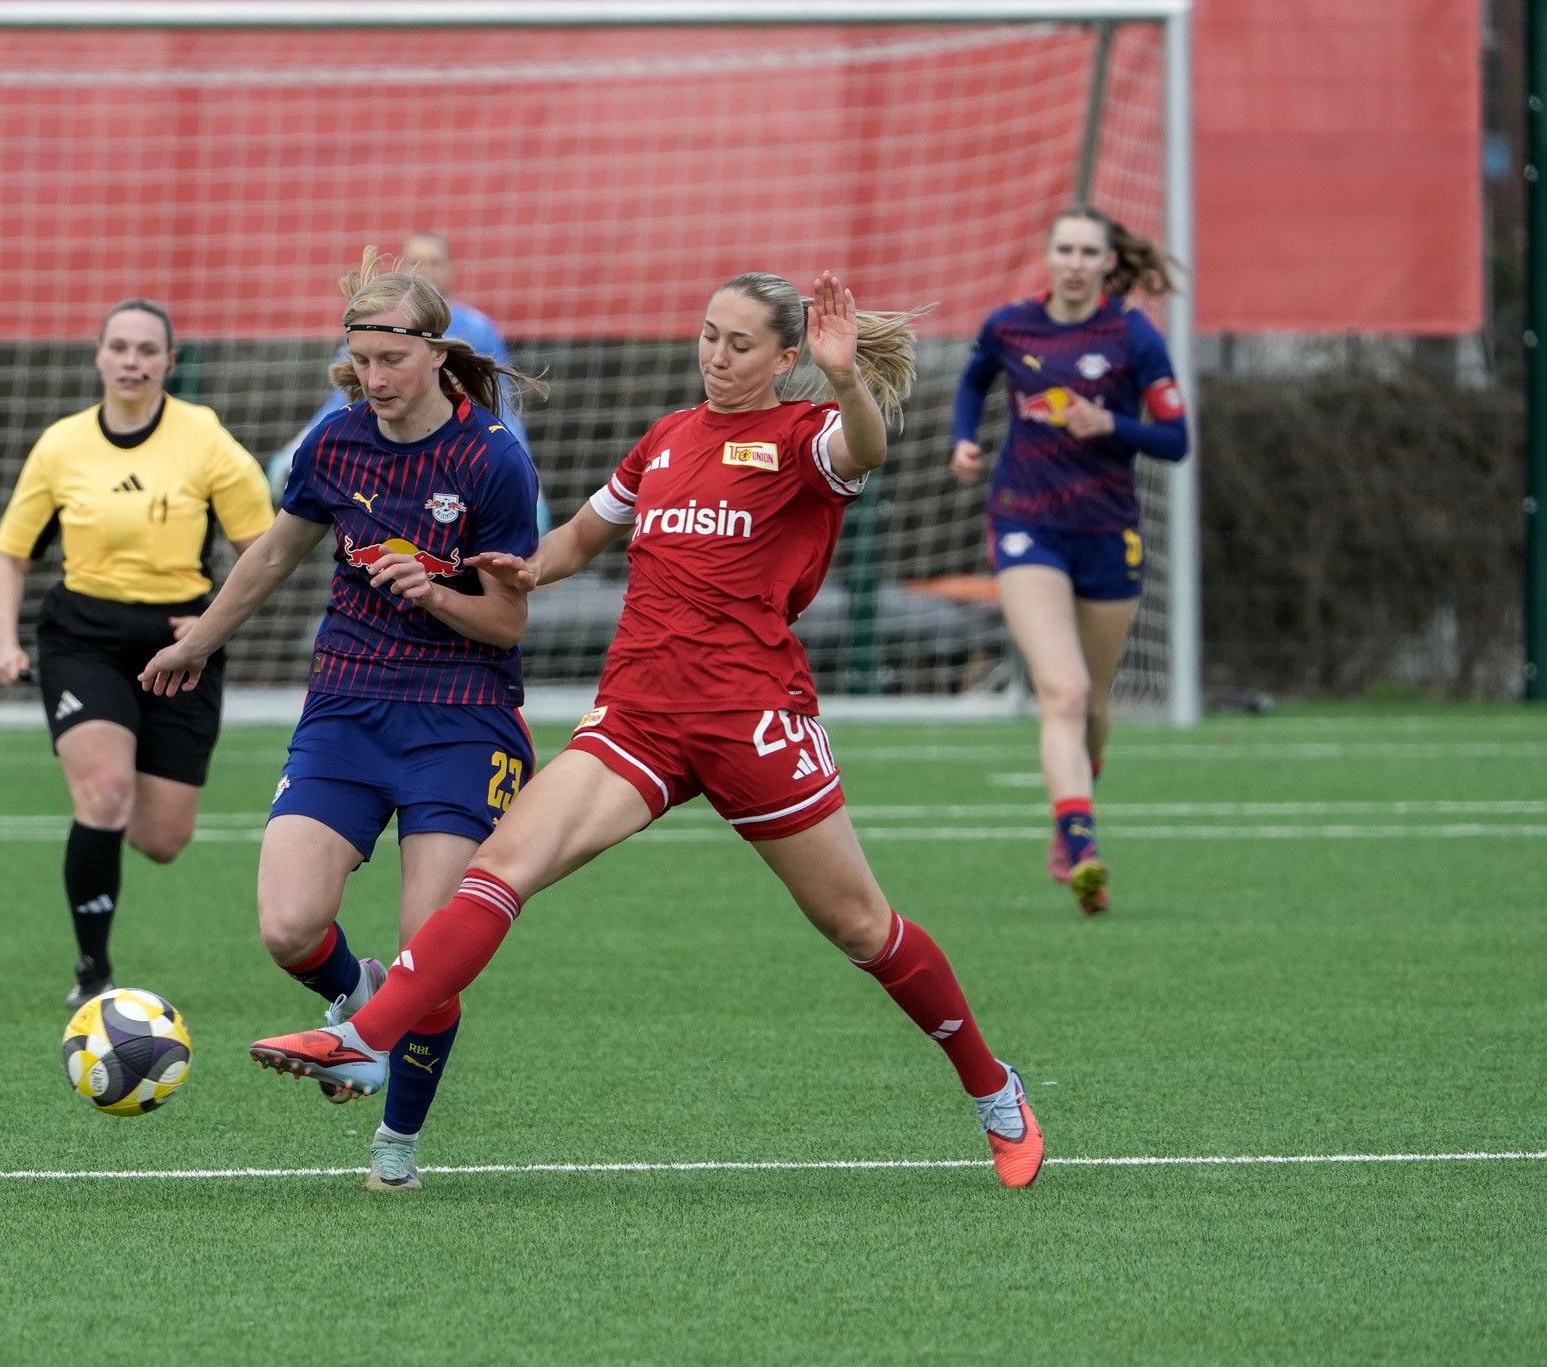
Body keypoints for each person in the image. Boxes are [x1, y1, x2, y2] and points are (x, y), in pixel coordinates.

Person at [207, 270, 1046, 1190]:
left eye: (739, 344)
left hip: (750, 718)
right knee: (500, 867)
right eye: (709, 334)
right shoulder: (667, 440)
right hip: (638, 714)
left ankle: (992, 1087)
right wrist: (505, 569)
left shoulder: (805, 437)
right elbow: (572, 541)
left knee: (858, 925)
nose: (715, 355)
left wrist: (845, 378)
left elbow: (867, 448)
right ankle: (366, 1038)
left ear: (784, 358)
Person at [138, 247, 544, 1192]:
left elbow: (507, 621)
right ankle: (362, 1009)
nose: (374, 379)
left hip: (461, 717)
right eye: (360, 361)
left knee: (430, 954)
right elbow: (274, 556)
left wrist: (433, 589)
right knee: (289, 923)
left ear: (437, 352)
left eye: (391, 360)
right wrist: (200, 640)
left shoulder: (494, 460)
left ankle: (395, 1144)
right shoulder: (336, 442)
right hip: (348, 705)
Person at [0, 298, 275, 1007]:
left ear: (169, 363)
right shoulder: (61, 445)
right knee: (105, 791)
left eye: (147, 350)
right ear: (99, 356)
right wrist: (4, 642)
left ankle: (120, 832)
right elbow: (10, 553)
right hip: (82, 638)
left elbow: (266, 551)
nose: (131, 361)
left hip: (181, 646)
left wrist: (211, 624)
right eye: (119, 347)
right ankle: (93, 972)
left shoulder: (204, 437)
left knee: (162, 838)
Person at [947, 205, 1190, 915]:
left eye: (1089, 252)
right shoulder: (1009, 325)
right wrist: (965, 439)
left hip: (1107, 531)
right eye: (1066, 249)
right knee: (1065, 691)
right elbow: (973, 383)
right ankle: (1081, 847)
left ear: (1108, 263)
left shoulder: (1133, 335)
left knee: (1097, 701)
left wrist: (1109, 422)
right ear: (1049, 256)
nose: (1076, 263)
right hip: (1025, 524)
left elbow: (1176, 440)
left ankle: (1077, 801)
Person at [267, 231, 546, 530]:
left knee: (531, 512)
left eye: (434, 262)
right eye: (416, 262)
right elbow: (341, 397)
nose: (425, 270)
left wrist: (518, 458)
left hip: (456, 458)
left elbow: (500, 401)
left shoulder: (478, 328)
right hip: (384, 454)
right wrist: (303, 442)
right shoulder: (371, 326)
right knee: (283, 471)